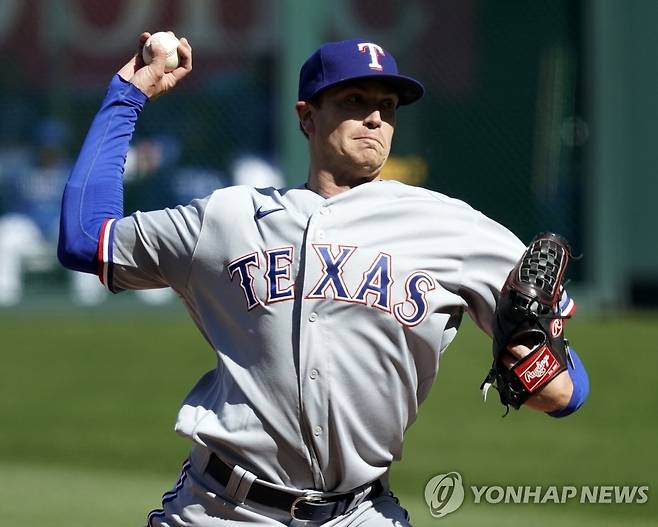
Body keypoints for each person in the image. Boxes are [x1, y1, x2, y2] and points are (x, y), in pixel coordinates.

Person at [58, 33, 589, 526]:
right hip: (221, 507)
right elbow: (85, 238)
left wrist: (545, 367)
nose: (375, 118)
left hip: (360, 512)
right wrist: (129, 93)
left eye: (387, 105)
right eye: (354, 101)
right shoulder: (227, 218)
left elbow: (566, 381)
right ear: (306, 117)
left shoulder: (452, 227)